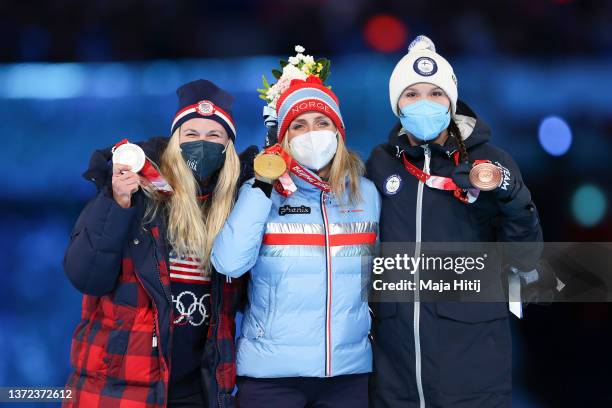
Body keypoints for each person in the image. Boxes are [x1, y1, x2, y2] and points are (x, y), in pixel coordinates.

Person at [367, 35, 544, 407]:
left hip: (472, 373)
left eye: (436, 93)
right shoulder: (382, 164)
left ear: (452, 100)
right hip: (395, 376)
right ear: (396, 103)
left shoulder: (490, 163)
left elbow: (525, 257)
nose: (424, 103)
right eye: (411, 94)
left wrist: (509, 192)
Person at [63, 79, 257, 408]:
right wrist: (117, 203)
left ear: (228, 147)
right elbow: (86, 276)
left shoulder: (236, 208)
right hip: (120, 390)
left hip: (199, 390)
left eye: (214, 135)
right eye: (191, 134)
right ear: (173, 140)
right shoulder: (137, 194)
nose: (202, 143)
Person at [211, 69, 381, 407]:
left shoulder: (366, 195)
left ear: (338, 132)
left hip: (347, 375)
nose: (311, 134)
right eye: (299, 126)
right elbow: (228, 262)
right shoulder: (261, 193)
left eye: (322, 122)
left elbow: (382, 274)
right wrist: (262, 184)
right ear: (283, 138)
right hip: (271, 377)